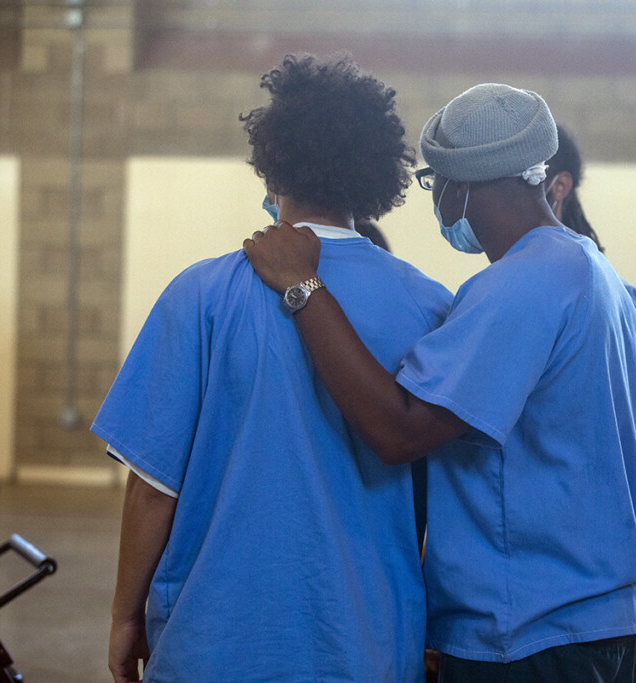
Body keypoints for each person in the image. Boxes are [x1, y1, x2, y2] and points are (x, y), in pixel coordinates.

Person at [244, 83, 636, 681]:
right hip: (603, 623)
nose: (435, 199)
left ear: (461, 184)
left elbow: (398, 430)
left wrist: (302, 286)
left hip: (532, 635)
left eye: (432, 183)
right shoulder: (601, 278)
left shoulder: (526, 284)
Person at [94, 53, 452, 682]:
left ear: (272, 162)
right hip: (367, 642)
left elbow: (153, 488)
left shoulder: (199, 295)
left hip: (213, 644)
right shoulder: (430, 306)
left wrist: (126, 617)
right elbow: (444, 500)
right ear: (375, 174)